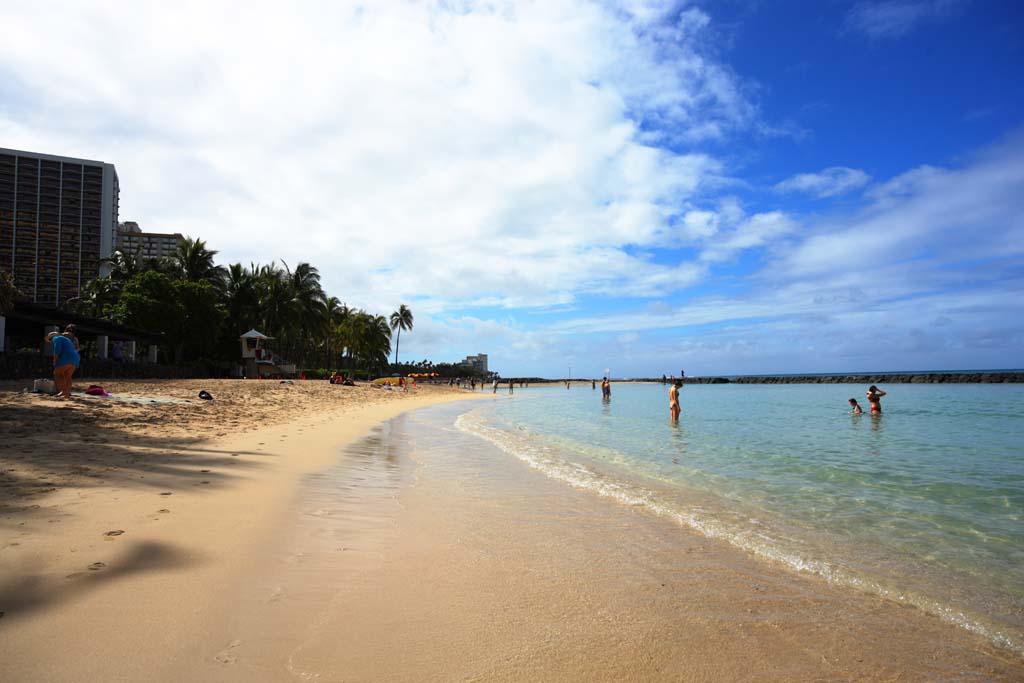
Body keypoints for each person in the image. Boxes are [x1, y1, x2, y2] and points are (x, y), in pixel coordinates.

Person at [47, 331, 80, 400]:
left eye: (50, 340)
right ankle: (67, 394)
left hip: (66, 358)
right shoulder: (66, 339)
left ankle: (62, 390)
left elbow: (57, 349)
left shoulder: (56, 338)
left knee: (57, 374)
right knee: (67, 376)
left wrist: (55, 360)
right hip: (75, 358)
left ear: (51, 338)